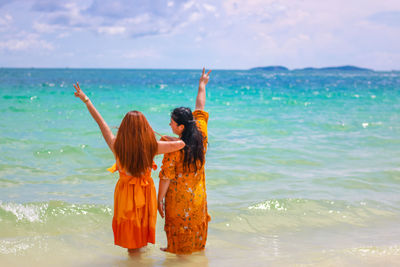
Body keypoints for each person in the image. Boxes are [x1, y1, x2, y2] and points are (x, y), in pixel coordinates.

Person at [73, 82, 185, 253]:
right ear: (145, 129)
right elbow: (181, 144)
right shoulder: (152, 147)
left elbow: (100, 122)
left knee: (131, 243)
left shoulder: (116, 145)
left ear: (124, 128)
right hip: (146, 193)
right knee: (141, 240)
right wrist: (179, 135)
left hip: (125, 194)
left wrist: (86, 100)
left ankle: (134, 261)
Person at [157, 68, 211, 254]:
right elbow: (200, 107)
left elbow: (166, 177)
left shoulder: (174, 149)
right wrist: (202, 85)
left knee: (178, 240)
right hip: (197, 197)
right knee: (195, 232)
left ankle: (176, 253)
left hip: (178, 200)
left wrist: (159, 198)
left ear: (180, 127)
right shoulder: (200, 134)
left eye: (172, 122)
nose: (169, 124)